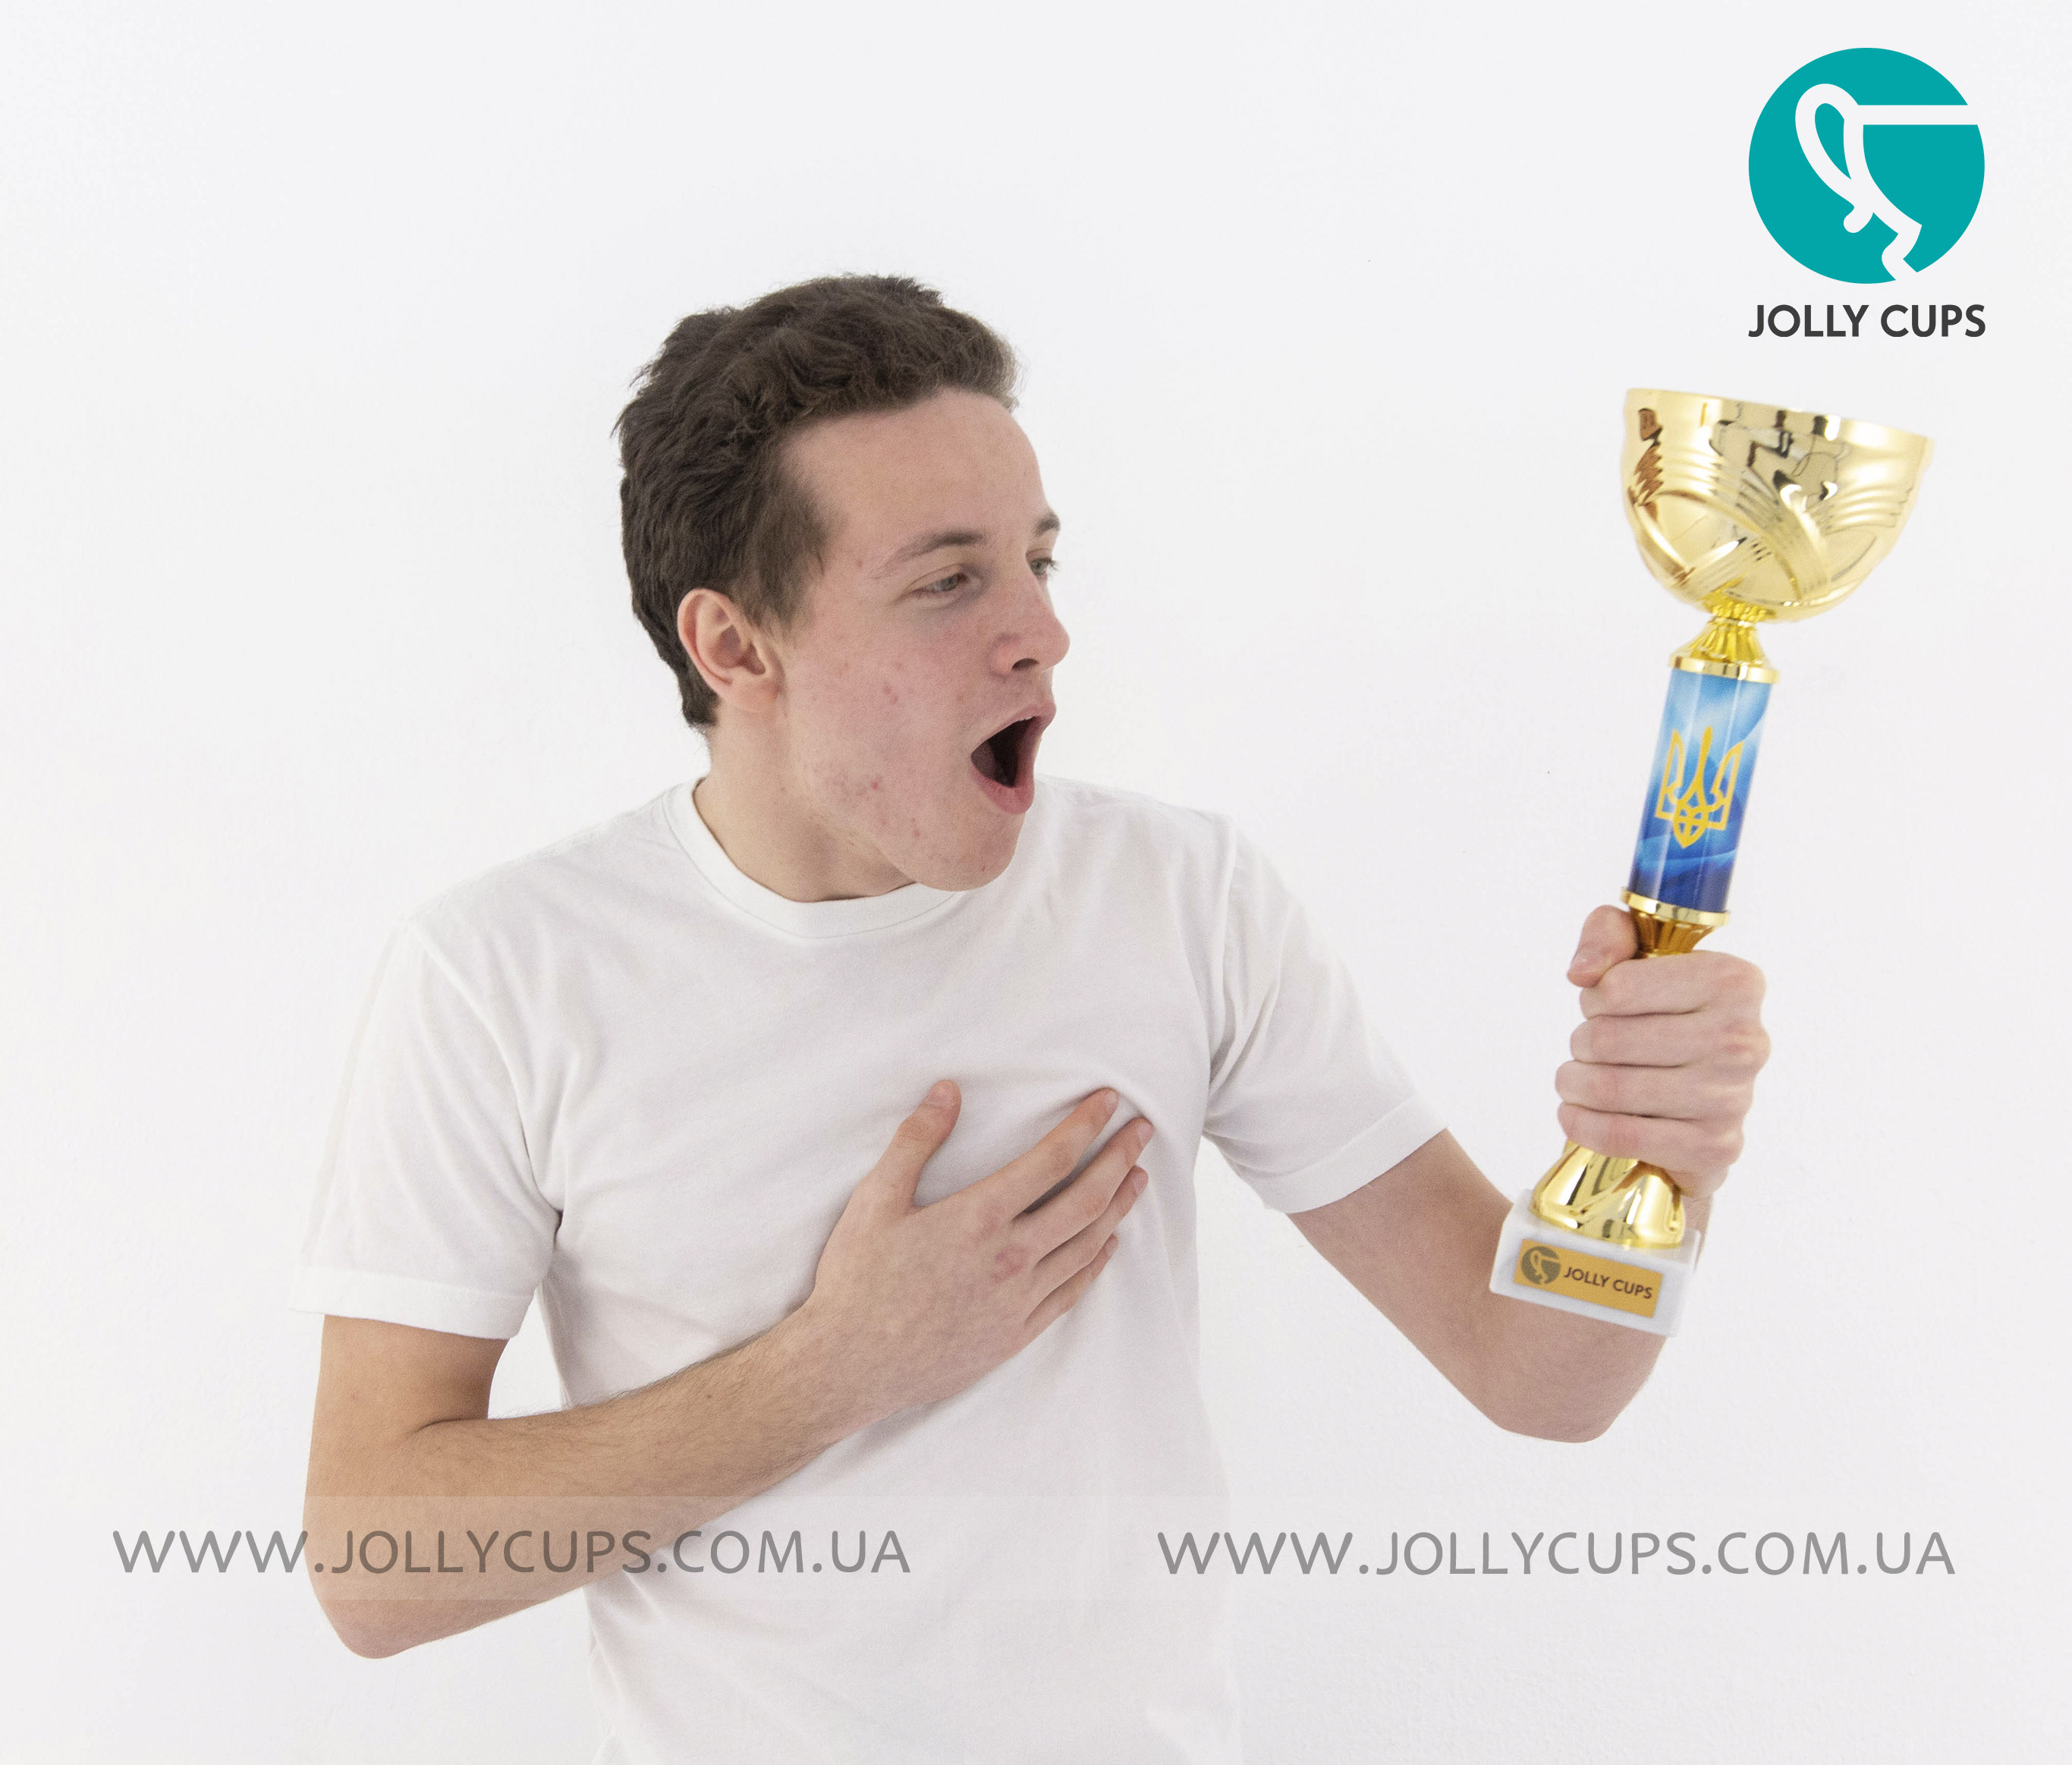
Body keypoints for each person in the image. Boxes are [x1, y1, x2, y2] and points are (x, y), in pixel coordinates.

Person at [293, 275, 1768, 1763]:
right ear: (734, 648)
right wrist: (836, 1366)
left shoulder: (1182, 898)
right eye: (948, 581)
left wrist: (1652, 1164)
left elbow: (1535, 1372)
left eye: (1038, 560)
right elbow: (371, 1563)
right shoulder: (502, 974)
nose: (1043, 635)